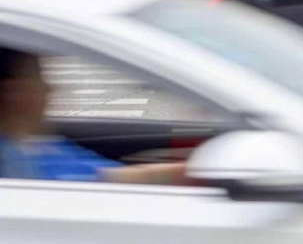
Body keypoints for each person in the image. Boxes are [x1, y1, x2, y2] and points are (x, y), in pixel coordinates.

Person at [0, 47, 194, 184]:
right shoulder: (15, 165)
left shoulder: (37, 147)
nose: (50, 88)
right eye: (37, 76)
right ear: (13, 92)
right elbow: (112, 179)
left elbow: (112, 176)